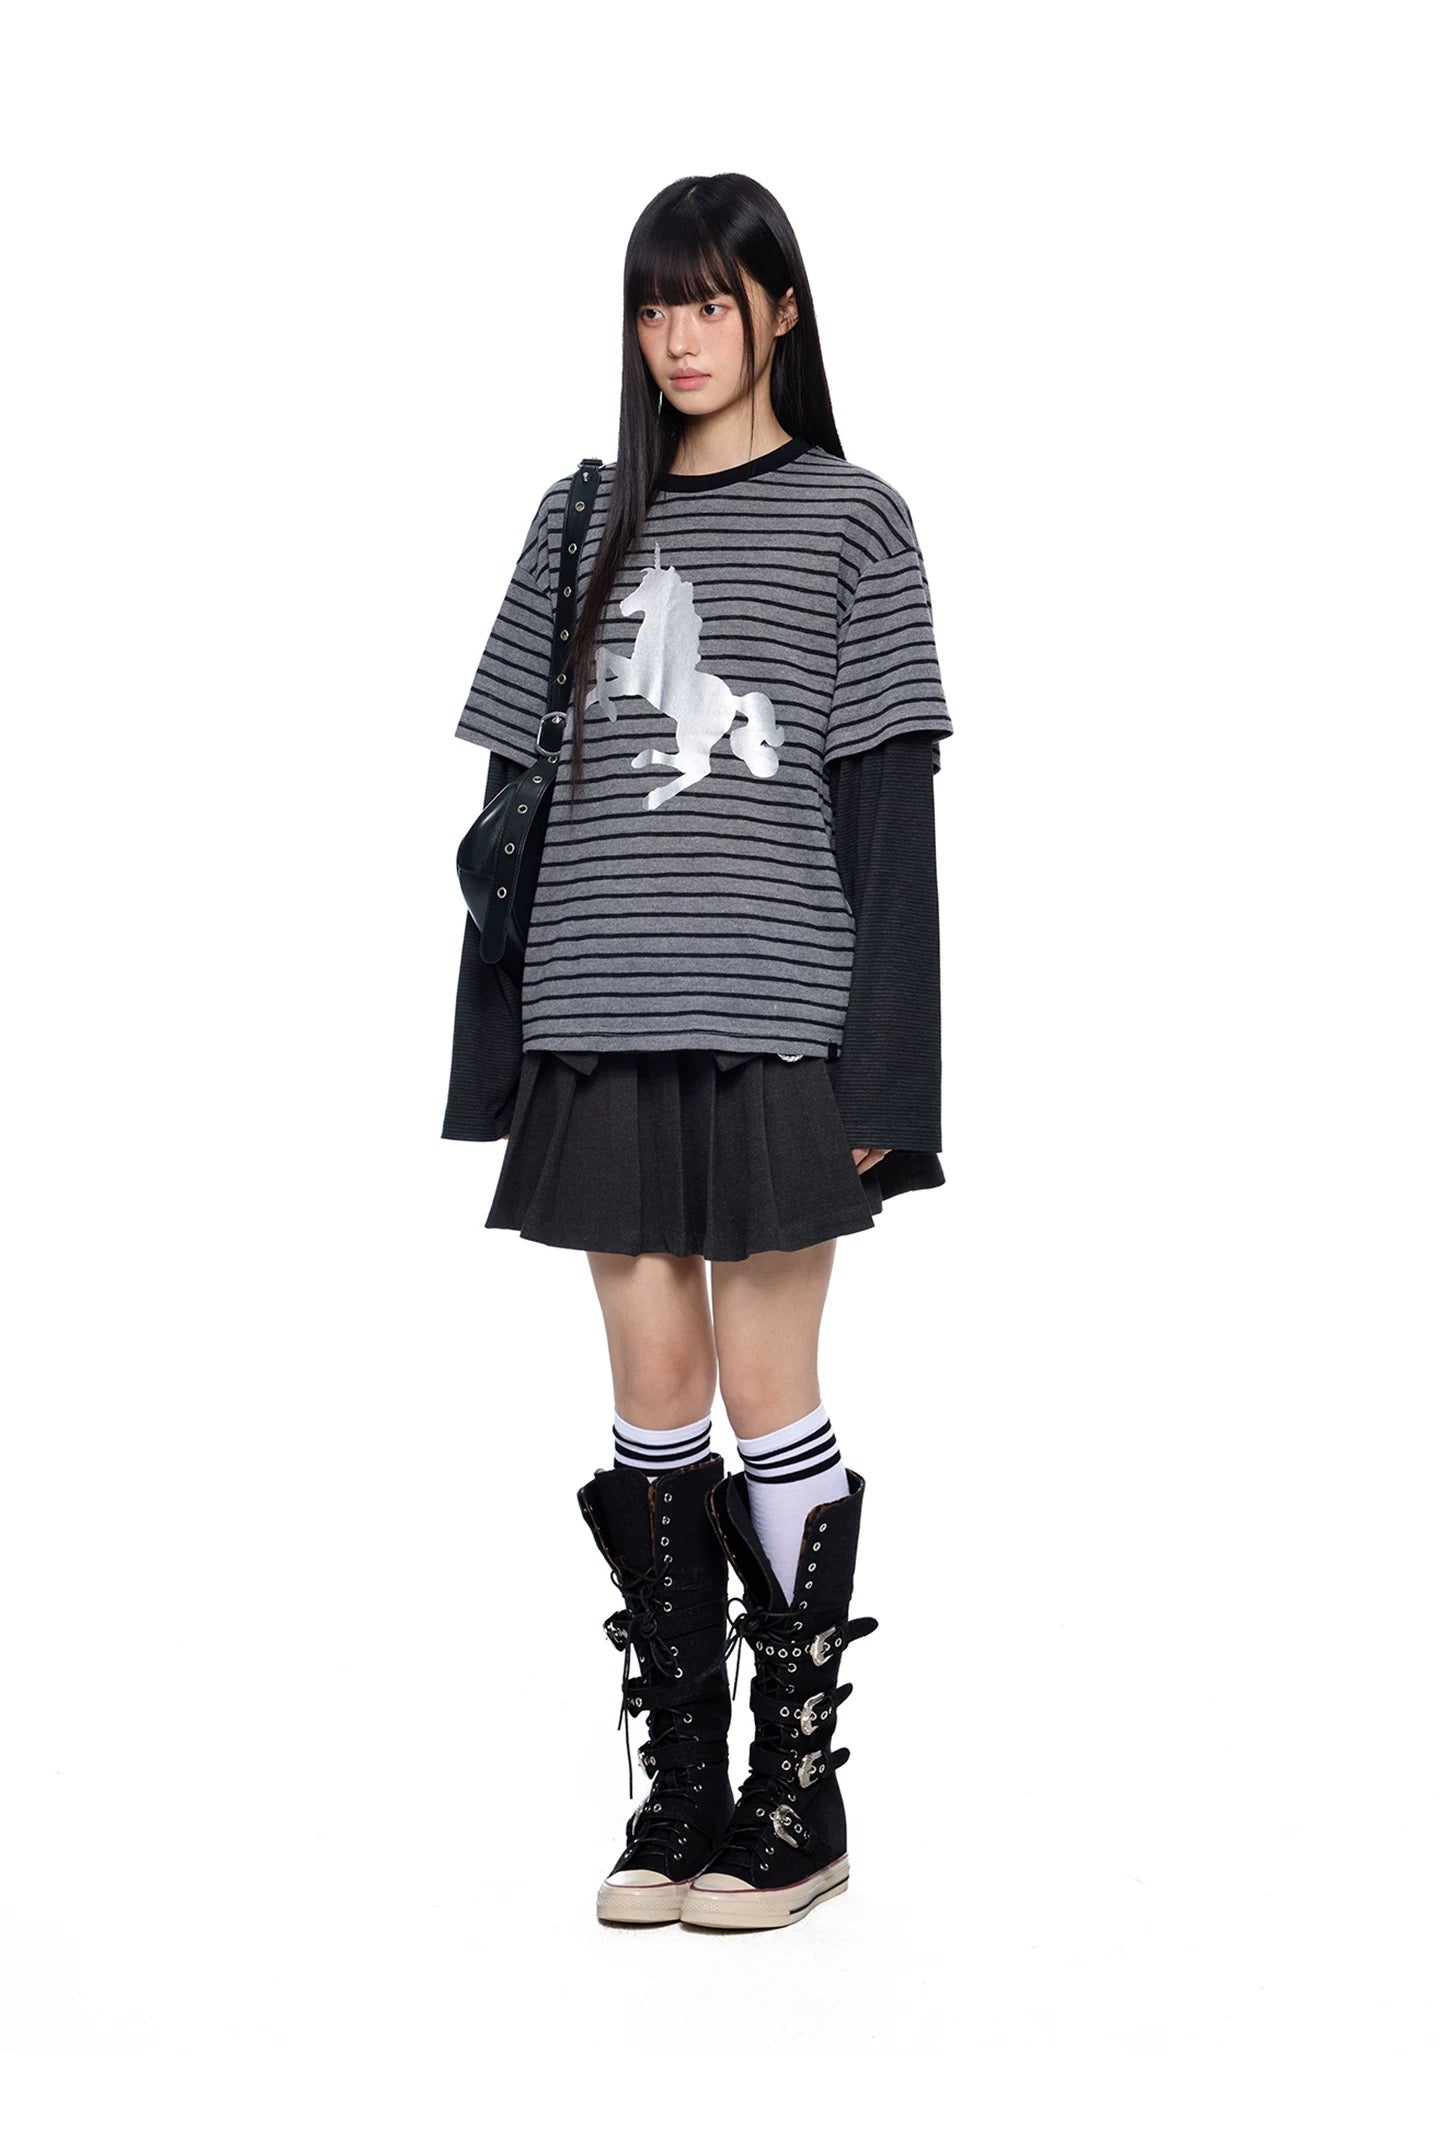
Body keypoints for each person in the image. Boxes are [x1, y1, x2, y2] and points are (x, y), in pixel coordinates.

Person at [441, 172, 953, 1931]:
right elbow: (510, 804)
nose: (679, 337)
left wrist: (889, 1078)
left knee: (765, 1384)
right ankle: (682, 1785)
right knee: (653, 1391)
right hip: (597, 1010)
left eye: (712, 303)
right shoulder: (579, 518)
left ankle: (799, 1792)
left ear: (780, 313)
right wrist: (494, 1046)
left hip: (778, 1018)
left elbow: (887, 811)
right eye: (655, 305)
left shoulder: (854, 521)